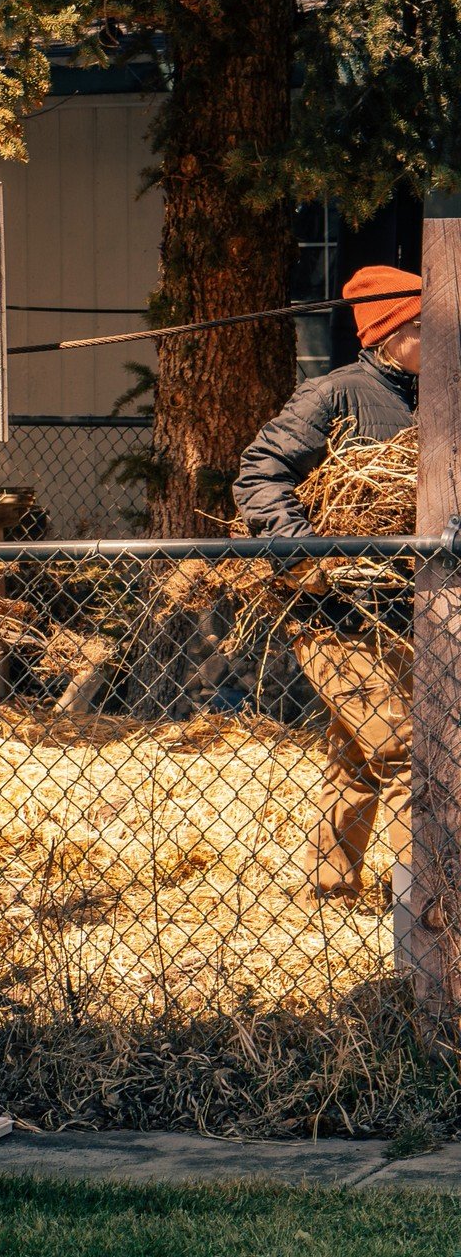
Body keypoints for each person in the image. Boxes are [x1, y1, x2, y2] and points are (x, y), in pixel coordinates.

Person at [233, 264, 419, 902]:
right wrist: (303, 556)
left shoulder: (438, 396)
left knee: (360, 755)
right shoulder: (336, 394)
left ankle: (328, 886)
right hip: (335, 616)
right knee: (405, 753)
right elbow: (260, 473)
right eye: (423, 327)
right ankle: (423, 905)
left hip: (409, 612)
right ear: (386, 333)